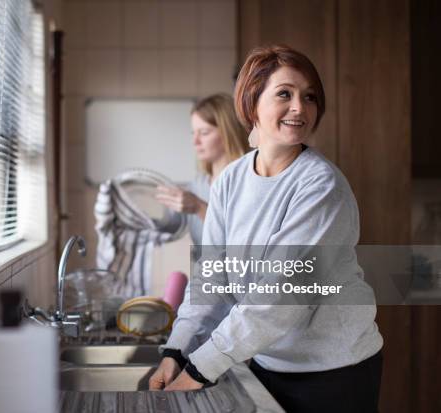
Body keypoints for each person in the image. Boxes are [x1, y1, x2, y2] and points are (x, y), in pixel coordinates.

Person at [149, 45, 383, 413]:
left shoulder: (320, 187)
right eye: (285, 94)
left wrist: (200, 367)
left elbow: (280, 296)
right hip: (266, 361)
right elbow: (211, 280)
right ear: (251, 101)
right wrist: (176, 350)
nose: (300, 108)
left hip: (333, 370)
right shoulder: (230, 180)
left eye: (310, 97)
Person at [155, 93, 248, 245]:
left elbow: (243, 242)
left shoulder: (249, 183)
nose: (195, 141)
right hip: (203, 269)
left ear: (228, 133)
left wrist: (200, 207)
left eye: (204, 133)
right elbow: (166, 231)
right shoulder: (197, 186)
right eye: (194, 133)